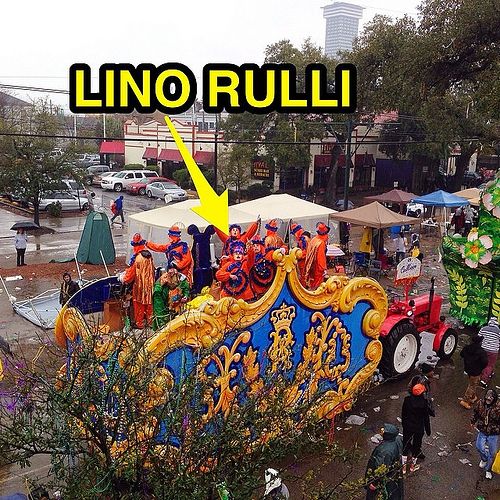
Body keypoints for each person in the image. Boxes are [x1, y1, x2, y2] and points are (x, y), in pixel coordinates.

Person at [364, 423, 404, 500]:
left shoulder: (385, 451)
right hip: (394, 474)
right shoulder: (397, 439)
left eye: (384, 430)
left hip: (386, 480)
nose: (382, 430)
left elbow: (381, 468)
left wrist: (374, 483)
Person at [401, 382, 433, 473]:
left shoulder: (407, 400)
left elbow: (404, 414)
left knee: (405, 445)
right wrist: (428, 430)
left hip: (408, 426)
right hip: (419, 428)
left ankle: (403, 467)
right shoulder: (424, 403)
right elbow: (426, 418)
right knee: (416, 445)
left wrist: (404, 424)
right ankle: (412, 466)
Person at [121, 249, 155, 329]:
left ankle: (139, 324)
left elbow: (130, 276)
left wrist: (124, 278)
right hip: (150, 287)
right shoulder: (149, 258)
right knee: (149, 305)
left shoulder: (138, 259)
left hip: (139, 288)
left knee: (139, 306)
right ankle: (150, 323)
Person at [471, 389, 500, 479]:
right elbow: (475, 412)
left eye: (490, 399)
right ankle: (484, 458)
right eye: (487, 398)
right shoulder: (480, 403)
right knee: (479, 447)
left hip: (494, 433)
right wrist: (472, 421)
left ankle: (488, 470)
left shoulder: (498, 407)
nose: (488, 401)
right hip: (483, 430)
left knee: (493, 453)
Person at [460, 333, 488, 409]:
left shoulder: (467, 348)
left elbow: (461, 354)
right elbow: (485, 362)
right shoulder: (481, 352)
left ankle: (472, 397)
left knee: (473, 383)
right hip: (476, 371)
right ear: (480, 342)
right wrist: (481, 368)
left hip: (468, 369)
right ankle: (465, 401)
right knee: (472, 385)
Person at [304, 222, 330, 290]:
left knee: (312, 283)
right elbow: (321, 257)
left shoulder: (314, 239)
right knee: (317, 287)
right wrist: (323, 269)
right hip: (318, 269)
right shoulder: (321, 243)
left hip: (311, 266)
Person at [479, 317, 500, 387]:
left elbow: (478, 337)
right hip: (493, 351)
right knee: (490, 365)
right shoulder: (498, 330)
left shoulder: (483, 328)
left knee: (483, 363)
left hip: (483, 349)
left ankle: (487, 373)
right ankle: (484, 380)